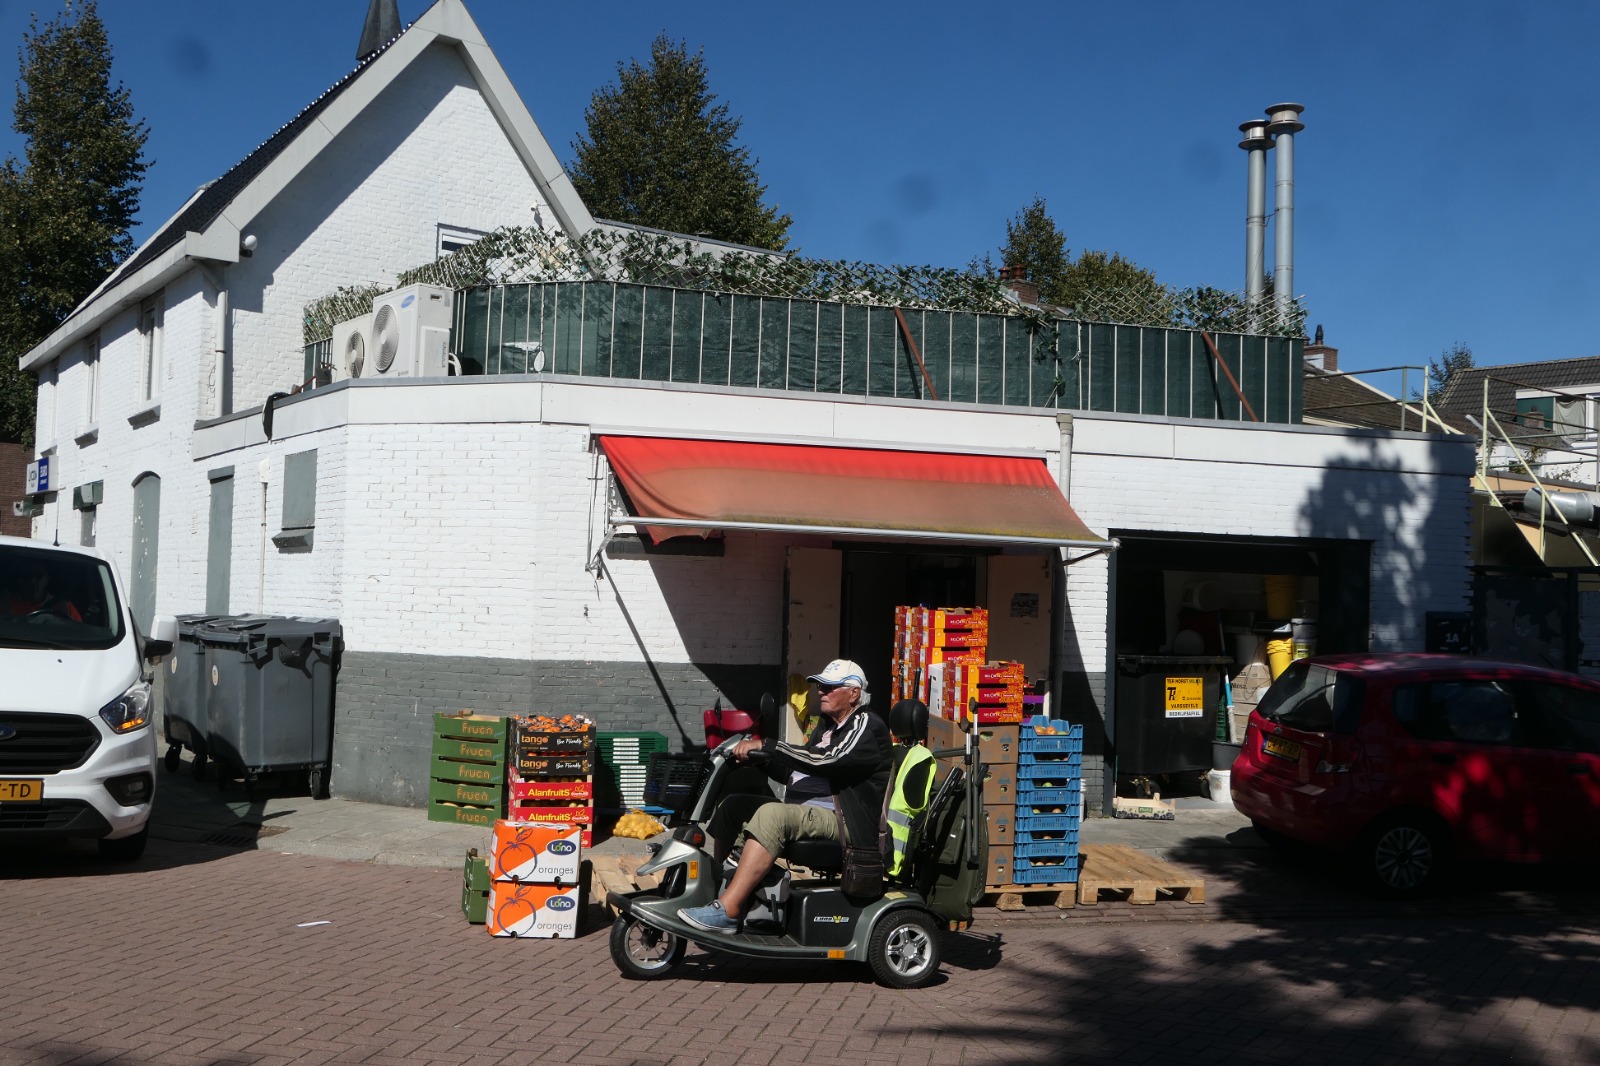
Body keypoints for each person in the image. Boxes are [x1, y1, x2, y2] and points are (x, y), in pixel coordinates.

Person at [678, 658, 891, 933]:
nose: (821, 692)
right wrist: (759, 758)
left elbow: (827, 760)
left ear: (854, 693)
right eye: (819, 686)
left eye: (829, 687)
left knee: (772, 815)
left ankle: (728, 911)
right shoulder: (827, 727)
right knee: (735, 805)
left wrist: (769, 745)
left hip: (849, 822)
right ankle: (720, 890)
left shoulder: (866, 725)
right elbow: (797, 773)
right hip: (815, 812)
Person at [2, 559, 82, 621]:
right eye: (26, 575)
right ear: (18, 580)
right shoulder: (5, 604)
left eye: (38, 575)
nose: (32, 581)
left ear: (47, 580)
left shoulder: (65, 608)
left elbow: (79, 635)